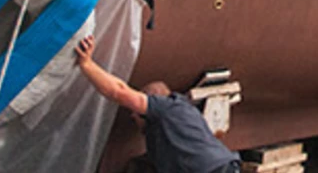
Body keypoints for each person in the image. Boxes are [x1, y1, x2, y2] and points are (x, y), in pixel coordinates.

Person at [74, 35, 241, 173]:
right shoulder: (179, 119)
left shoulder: (166, 109)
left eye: (135, 112)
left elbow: (119, 92)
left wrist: (87, 64)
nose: (133, 116)